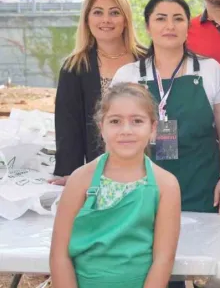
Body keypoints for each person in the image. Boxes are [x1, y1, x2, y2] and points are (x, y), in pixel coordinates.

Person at [112, 0, 220, 216]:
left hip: (203, 186)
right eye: (161, 18)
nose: (170, 25)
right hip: (144, 189)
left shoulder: (210, 70)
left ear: (188, 26)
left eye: (178, 18)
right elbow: (114, 136)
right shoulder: (127, 76)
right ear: (148, 26)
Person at [49, 82, 181, 288]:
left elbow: (163, 260)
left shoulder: (166, 185)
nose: (125, 130)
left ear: (153, 129)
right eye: (115, 121)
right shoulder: (80, 179)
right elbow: (59, 255)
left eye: (137, 121)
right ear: (101, 128)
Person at [52, 0, 146, 185]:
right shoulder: (74, 67)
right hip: (100, 174)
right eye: (97, 12)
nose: (106, 20)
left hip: (148, 168)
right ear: (87, 20)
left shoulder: (148, 60)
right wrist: (69, 173)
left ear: (126, 19)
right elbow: (68, 128)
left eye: (114, 13)